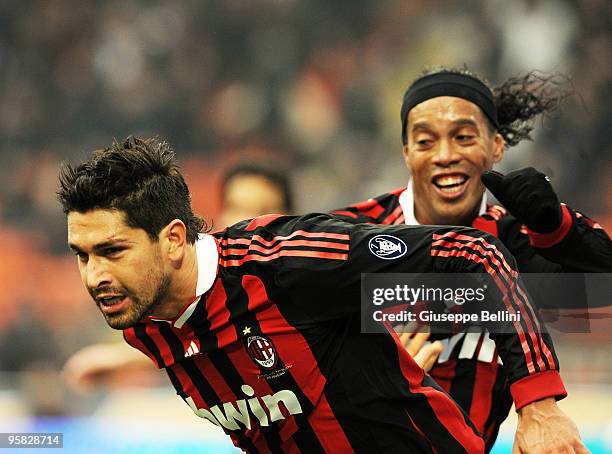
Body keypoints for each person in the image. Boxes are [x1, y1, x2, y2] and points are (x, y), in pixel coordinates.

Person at [57, 136, 586, 453]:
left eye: (111, 250)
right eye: (82, 255)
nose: (93, 275)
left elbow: (477, 255)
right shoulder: (144, 322)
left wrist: (539, 406)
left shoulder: (293, 263)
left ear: (173, 239)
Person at [331, 68, 612, 451]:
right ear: (407, 153)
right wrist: (374, 375)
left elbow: (600, 289)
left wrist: (556, 229)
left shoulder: (515, 241)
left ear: (496, 146)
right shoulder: (353, 236)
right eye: (426, 141)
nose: (446, 155)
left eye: (463, 137)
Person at [63, 162, 294, 393]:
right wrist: (118, 359)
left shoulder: (304, 271)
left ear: (290, 218)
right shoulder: (189, 273)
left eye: (263, 208)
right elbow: (193, 335)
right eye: (236, 207)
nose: (248, 220)